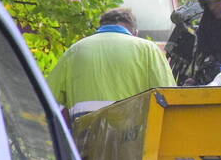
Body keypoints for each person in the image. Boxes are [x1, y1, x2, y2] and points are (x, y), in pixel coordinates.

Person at [47, 7, 176, 122]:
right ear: (135, 32)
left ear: (101, 27)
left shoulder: (74, 51)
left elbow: (47, 101)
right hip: (133, 137)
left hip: (85, 139)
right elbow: (169, 96)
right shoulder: (148, 49)